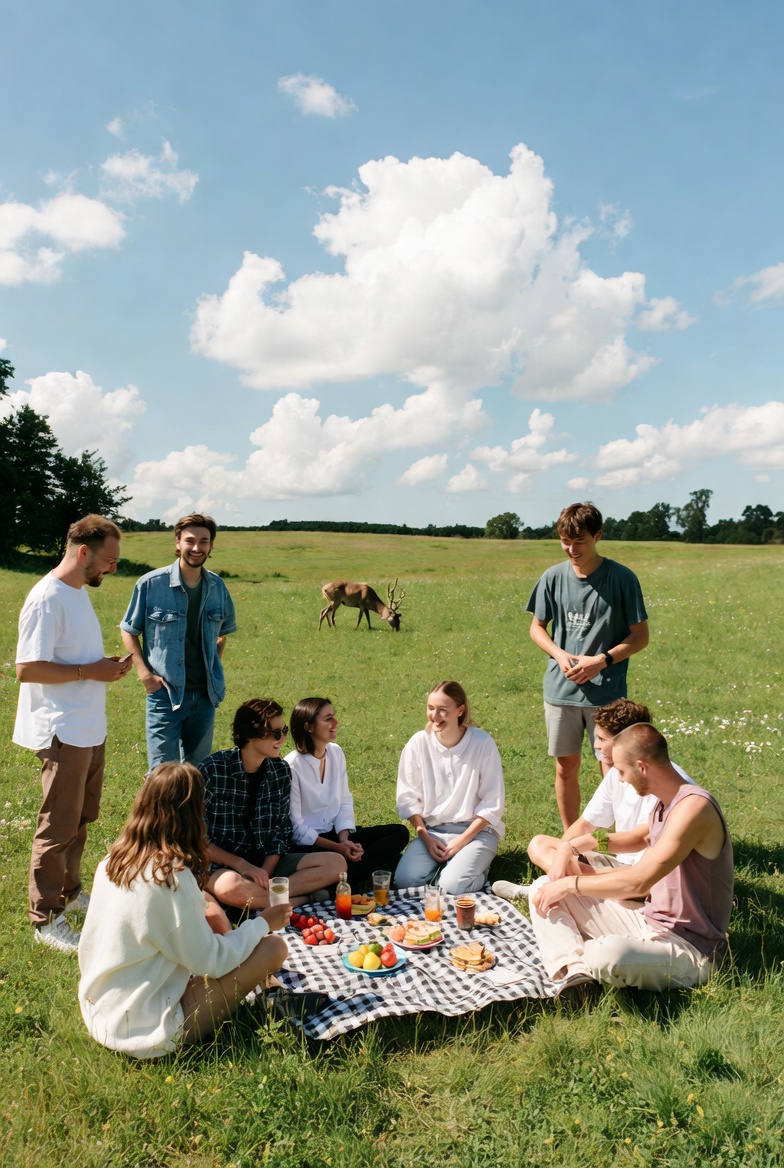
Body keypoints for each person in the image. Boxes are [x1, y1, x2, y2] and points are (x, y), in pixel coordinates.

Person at [78, 762, 289, 1059]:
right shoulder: (172, 877)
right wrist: (263, 924)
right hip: (148, 1031)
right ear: (193, 814)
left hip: (101, 1009)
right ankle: (266, 982)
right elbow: (212, 963)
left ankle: (251, 964)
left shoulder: (113, 861)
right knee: (273, 949)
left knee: (206, 901)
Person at [528, 724, 733, 992]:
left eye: (622, 771)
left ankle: (582, 952)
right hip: (647, 919)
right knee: (543, 889)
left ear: (642, 767)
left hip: (690, 947)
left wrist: (570, 883)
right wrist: (576, 846)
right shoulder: (664, 803)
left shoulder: (694, 808)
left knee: (610, 955)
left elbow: (639, 882)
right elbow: (638, 838)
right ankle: (574, 975)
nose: (621, 779)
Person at [14, 514, 133, 953]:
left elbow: (68, 658)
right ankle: (44, 919)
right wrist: (89, 670)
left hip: (87, 726)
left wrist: (101, 668)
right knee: (58, 825)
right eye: (109, 560)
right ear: (83, 552)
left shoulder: (77, 592)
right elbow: (26, 668)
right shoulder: (47, 598)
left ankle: (69, 893)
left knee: (81, 819)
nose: (112, 568)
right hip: (62, 729)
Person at [527, 501, 649, 830]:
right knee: (565, 767)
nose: (571, 549)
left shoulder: (623, 579)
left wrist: (602, 660)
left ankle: (616, 840)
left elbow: (640, 637)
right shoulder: (552, 578)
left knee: (613, 768)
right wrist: (558, 653)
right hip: (561, 691)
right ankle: (572, 838)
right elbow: (537, 628)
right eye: (565, 541)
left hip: (606, 694)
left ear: (597, 536)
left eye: (579, 542)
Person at [493, 698, 692, 899]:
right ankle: (568, 886)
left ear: (627, 741)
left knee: (629, 877)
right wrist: (564, 852)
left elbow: (642, 838)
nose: (596, 746)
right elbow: (586, 823)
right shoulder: (618, 771)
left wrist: (583, 845)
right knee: (540, 845)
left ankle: (564, 889)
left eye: (602, 739)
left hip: (647, 872)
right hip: (619, 866)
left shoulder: (667, 783)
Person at [200, 699, 345, 913]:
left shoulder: (280, 771)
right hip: (223, 864)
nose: (283, 738)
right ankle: (301, 899)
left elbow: (280, 831)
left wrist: (265, 872)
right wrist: (242, 865)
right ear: (251, 735)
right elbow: (197, 840)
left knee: (337, 864)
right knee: (228, 886)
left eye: (283, 730)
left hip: (267, 863)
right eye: (276, 733)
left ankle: (261, 899)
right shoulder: (212, 771)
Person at [120, 513, 236, 771]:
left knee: (198, 773)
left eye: (204, 541)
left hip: (205, 697)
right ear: (177, 543)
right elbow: (129, 630)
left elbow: (222, 633)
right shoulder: (151, 584)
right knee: (162, 776)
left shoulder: (217, 586)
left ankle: (191, 814)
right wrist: (145, 675)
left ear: (211, 545)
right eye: (190, 541)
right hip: (165, 693)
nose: (197, 548)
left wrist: (211, 667)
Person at [394, 681, 505, 895]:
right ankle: (451, 867)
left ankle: (475, 870)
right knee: (405, 882)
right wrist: (425, 837)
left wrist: (463, 841)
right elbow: (407, 797)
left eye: (443, 710)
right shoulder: (418, 743)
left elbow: (493, 803)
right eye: (431, 708)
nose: (435, 715)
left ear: (460, 710)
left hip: (477, 832)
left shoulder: (482, 742)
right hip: (433, 832)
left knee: (451, 887)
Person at [285, 697, 409, 884]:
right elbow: (297, 829)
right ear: (309, 726)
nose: (335, 723)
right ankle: (345, 875)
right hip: (310, 844)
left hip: (335, 835)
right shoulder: (292, 766)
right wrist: (336, 847)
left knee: (398, 833)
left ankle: (344, 876)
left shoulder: (336, 753)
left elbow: (344, 800)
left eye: (334, 717)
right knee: (336, 857)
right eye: (328, 719)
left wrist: (344, 840)